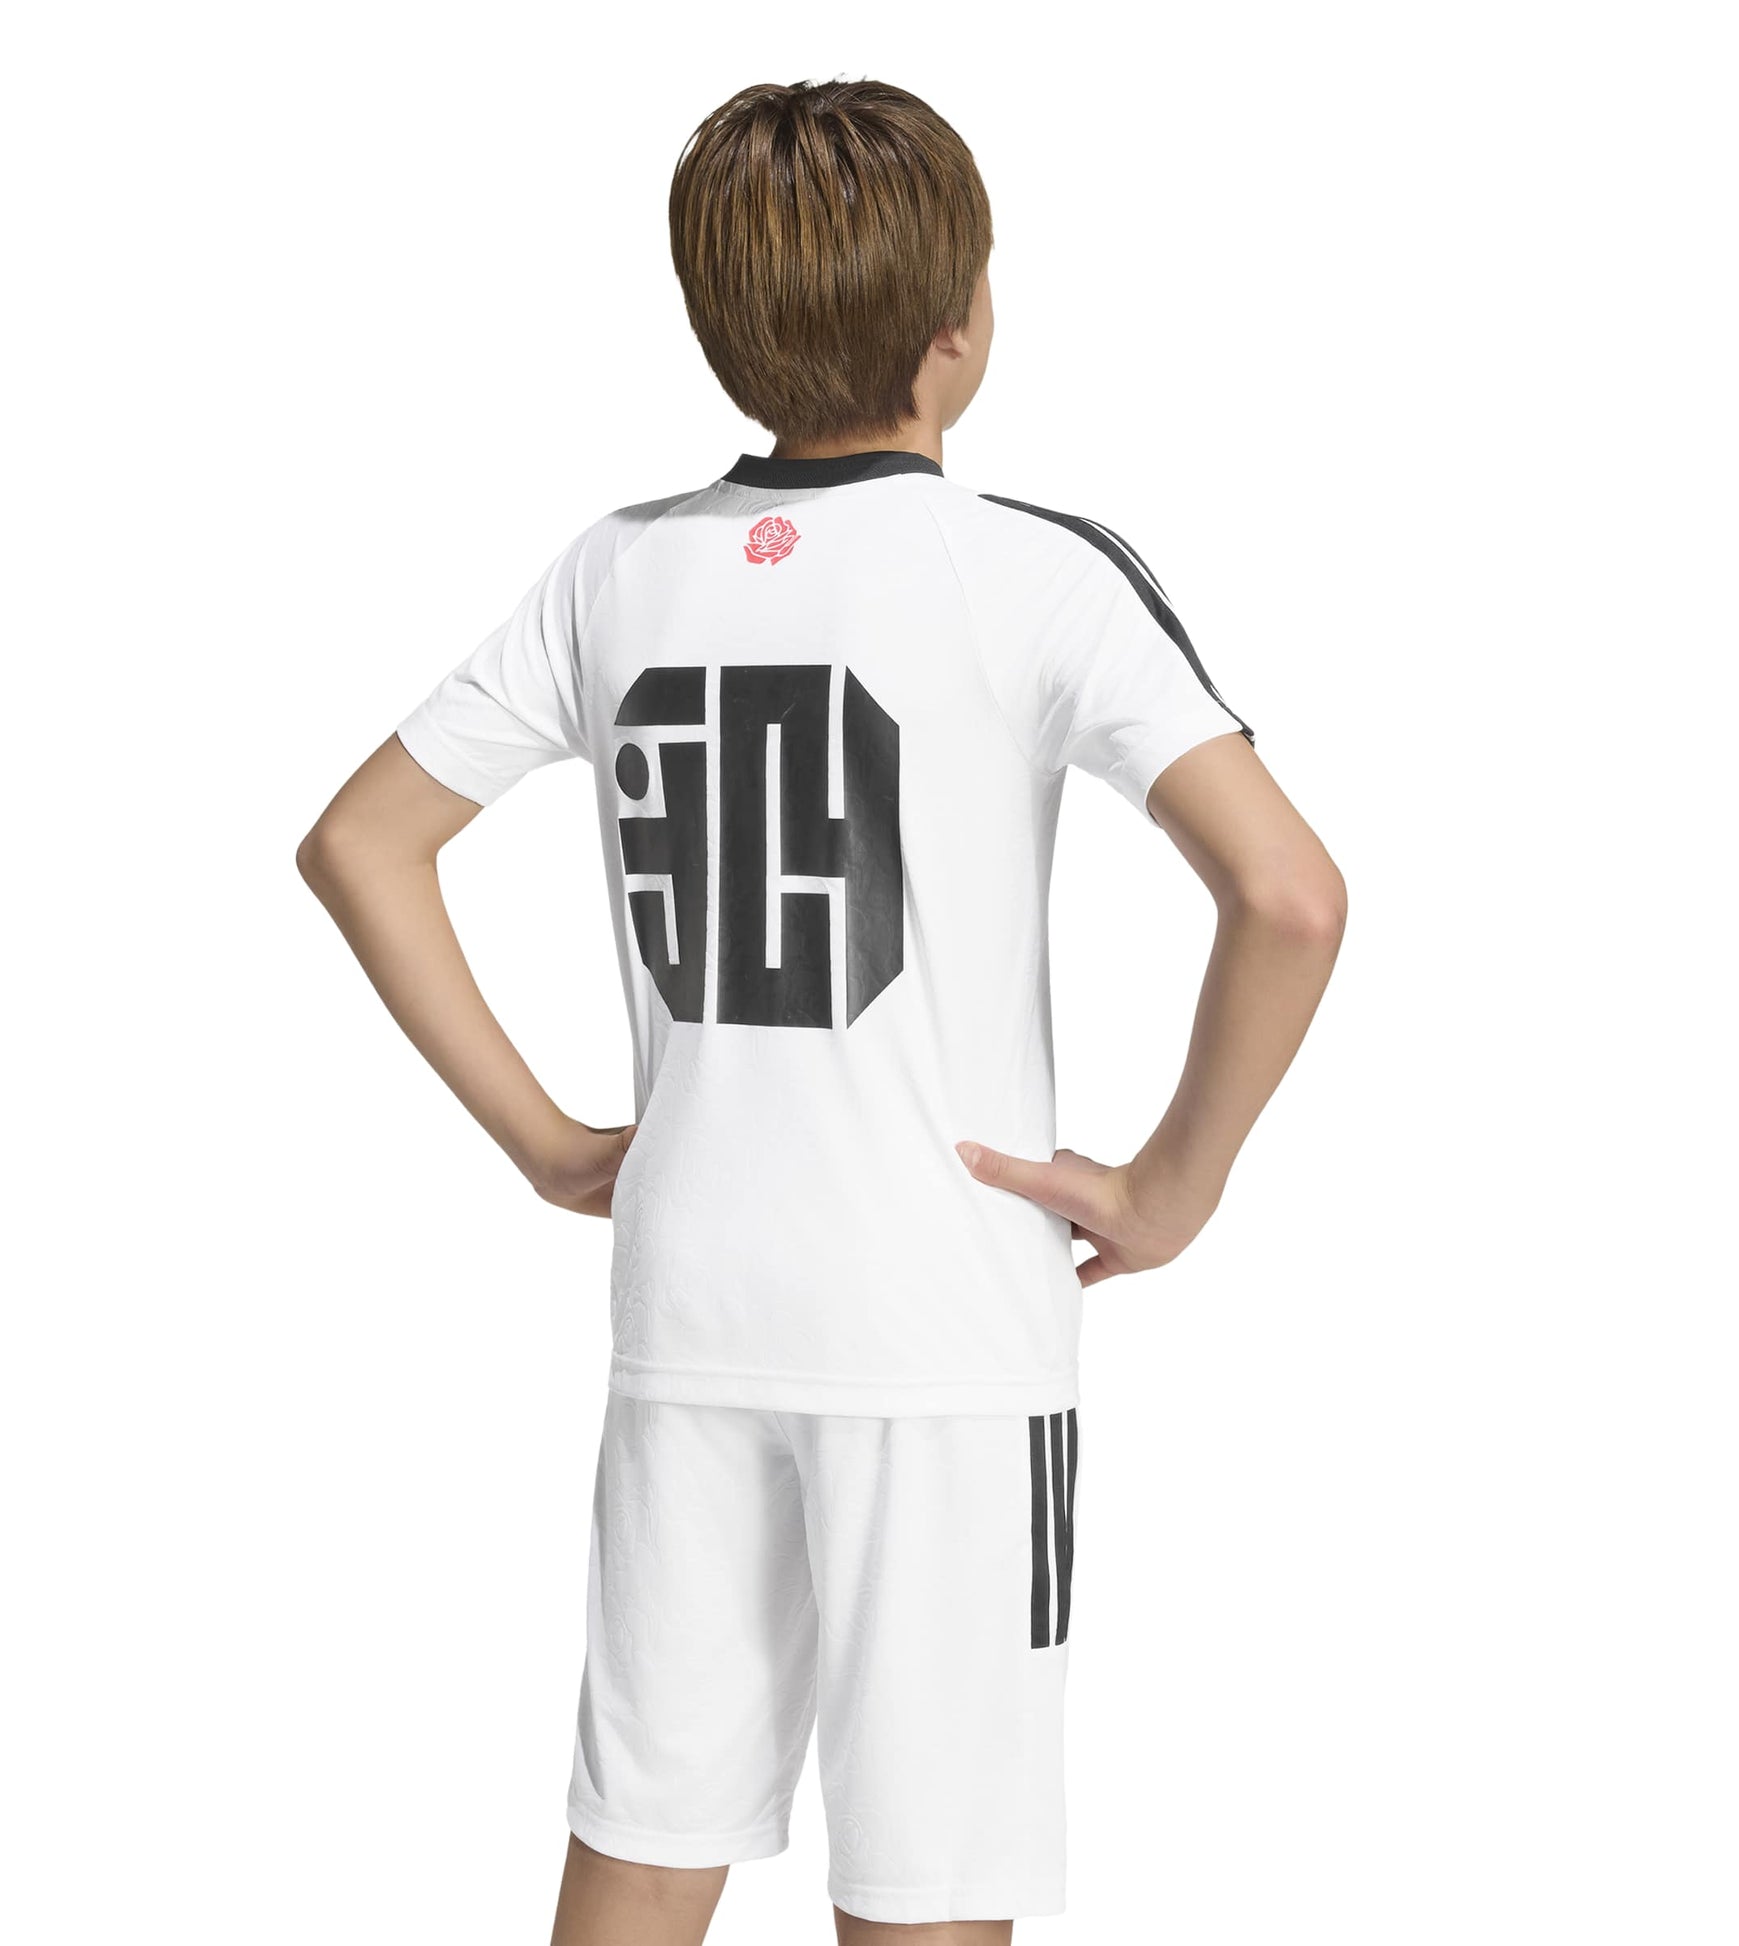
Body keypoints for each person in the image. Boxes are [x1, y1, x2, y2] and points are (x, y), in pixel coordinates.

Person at [297, 76, 1346, 1946]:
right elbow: (1288, 893)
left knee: (642, 1847)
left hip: (691, 1301)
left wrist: (546, 1143)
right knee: (927, 1892)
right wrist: (1172, 1187)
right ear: (960, 325)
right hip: (941, 1328)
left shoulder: (617, 567)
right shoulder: (1030, 572)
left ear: (720, 322)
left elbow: (361, 841)